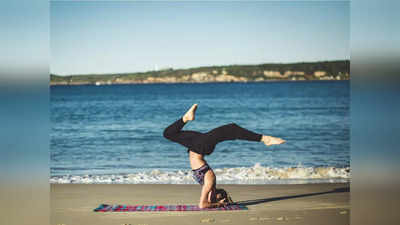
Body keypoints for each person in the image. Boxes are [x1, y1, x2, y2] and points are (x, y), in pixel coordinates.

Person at [163, 104, 285, 208]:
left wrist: (217, 204)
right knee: (232, 129)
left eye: (221, 197)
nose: (221, 197)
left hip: (199, 146)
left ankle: (265, 139)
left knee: (168, 133)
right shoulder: (210, 180)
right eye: (222, 196)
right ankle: (264, 139)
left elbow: (202, 204)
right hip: (199, 146)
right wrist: (219, 203)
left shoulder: (209, 181)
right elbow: (206, 202)